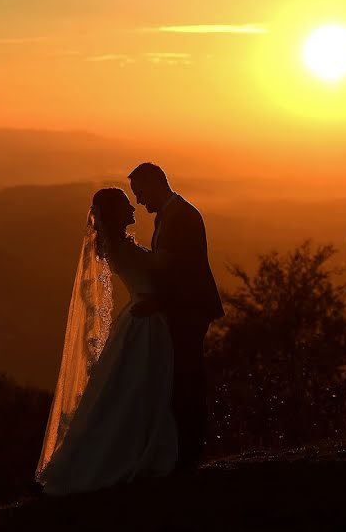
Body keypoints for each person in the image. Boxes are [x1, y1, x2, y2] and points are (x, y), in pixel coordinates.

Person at [36, 187, 177, 495]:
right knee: (137, 388)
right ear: (115, 214)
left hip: (141, 318)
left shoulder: (117, 246)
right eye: (127, 205)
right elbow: (158, 270)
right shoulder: (122, 249)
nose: (133, 209)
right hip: (145, 320)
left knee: (129, 389)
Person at [128, 162, 225, 472]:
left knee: (187, 378)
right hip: (184, 308)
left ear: (155, 184)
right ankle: (185, 451)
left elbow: (181, 273)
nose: (140, 202)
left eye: (140, 193)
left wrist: (155, 301)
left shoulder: (180, 216)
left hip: (190, 309)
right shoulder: (172, 215)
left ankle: (189, 453)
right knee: (182, 377)